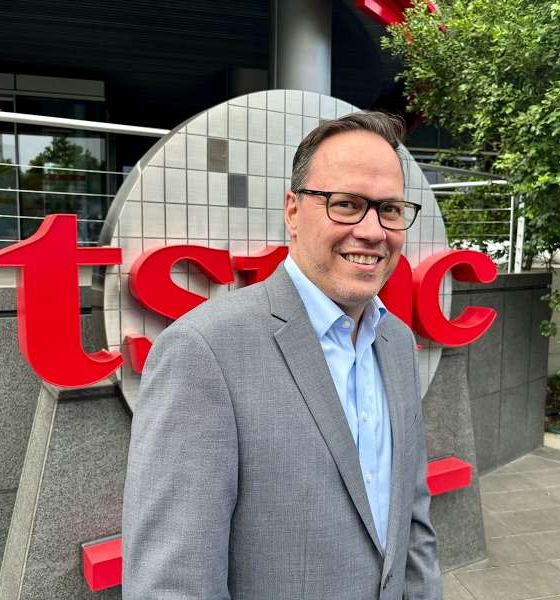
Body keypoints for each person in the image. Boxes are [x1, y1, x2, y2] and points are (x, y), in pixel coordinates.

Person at [122, 111, 442, 599]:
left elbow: (412, 522)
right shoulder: (204, 351)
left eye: (391, 209)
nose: (374, 231)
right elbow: (173, 583)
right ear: (293, 211)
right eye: (347, 204)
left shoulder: (395, 341)